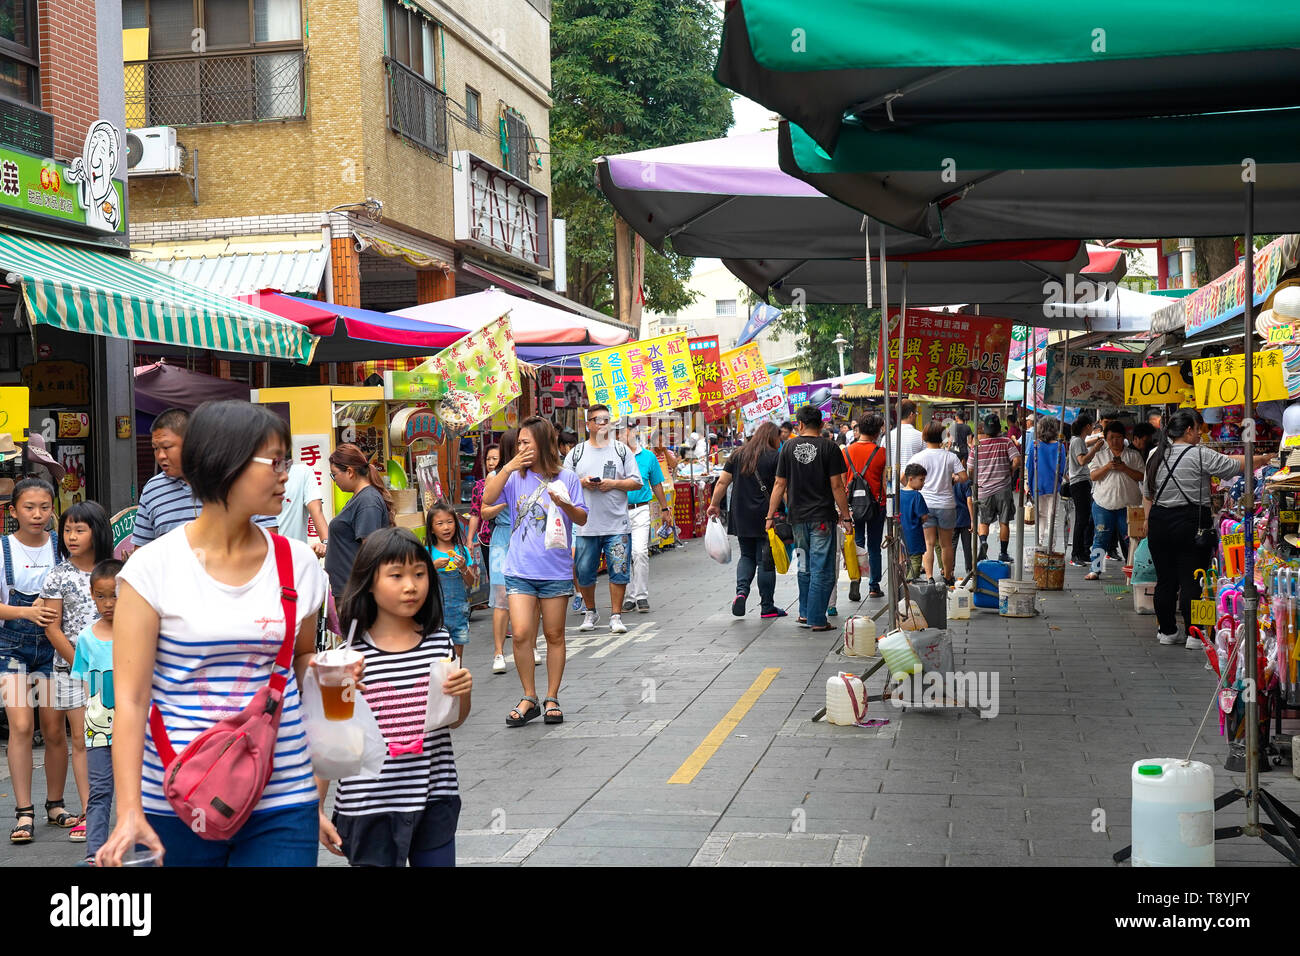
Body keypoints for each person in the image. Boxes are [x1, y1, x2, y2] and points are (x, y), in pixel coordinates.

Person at [98, 400, 337, 866]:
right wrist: (128, 809)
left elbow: (302, 658)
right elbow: (129, 698)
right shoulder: (152, 568)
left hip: (283, 795)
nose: (286, 473)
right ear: (225, 463)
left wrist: (333, 676)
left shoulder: (299, 564)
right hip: (175, 794)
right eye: (276, 461)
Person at [318, 528, 472, 867]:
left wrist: (463, 692)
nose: (411, 585)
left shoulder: (439, 641)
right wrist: (316, 808)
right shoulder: (349, 657)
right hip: (367, 807)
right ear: (369, 582)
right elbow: (332, 738)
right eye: (396, 575)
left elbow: (454, 719)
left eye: (419, 574)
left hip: (435, 796)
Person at [482, 416, 588, 727]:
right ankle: (529, 696)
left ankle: (552, 696)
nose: (521, 448)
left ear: (542, 443)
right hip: (519, 568)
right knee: (523, 633)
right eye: (518, 444)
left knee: (554, 634)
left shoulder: (566, 478)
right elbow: (487, 499)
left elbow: (581, 518)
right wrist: (507, 467)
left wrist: (564, 503)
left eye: (526, 442)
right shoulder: (514, 477)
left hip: (554, 570)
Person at [1144, 409, 1268, 648]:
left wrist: (1148, 521)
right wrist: (1262, 459)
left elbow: (1147, 493)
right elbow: (1234, 466)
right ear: (1189, 429)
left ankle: (1167, 631)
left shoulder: (1153, 455)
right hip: (1190, 522)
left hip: (1159, 521)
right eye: (1198, 429)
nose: (1201, 433)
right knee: (1195, 579)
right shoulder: (1199, 454)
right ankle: (1196, 634)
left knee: (1165, 580)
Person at [41, 500, 115, 846]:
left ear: (97, 531)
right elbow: (52, 628)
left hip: (116, 670)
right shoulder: (58, 575)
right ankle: (89, 812)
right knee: (83, 740)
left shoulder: (117, 570)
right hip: (71, 670)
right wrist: (82, 665)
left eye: (79, 530)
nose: (71, 536)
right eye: (67, 529)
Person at [1, 478, 68, 845]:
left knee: (56, 730)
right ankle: (23, 811)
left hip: (56, 648)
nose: (38, 514)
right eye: (29, 507)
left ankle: (56, 804)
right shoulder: (2, 549)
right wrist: (25, 613)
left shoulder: (63, 547)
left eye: (44, 507)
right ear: (14, 511)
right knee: (22, 725)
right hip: (10, 649)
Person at [132, 407, 278, 549]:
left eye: (167, 447)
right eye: (155, 448)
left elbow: (270, 541)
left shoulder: (236, 480)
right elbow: (140, 555)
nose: (160, 456)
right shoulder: (153, 490)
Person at [766, 404, 851, 632]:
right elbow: (837, 486)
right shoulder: (830, 448)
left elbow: (779, 484)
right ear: (821, 424)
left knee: (804, 566)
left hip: (798, 519)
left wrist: (769, 516)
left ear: (799, 424)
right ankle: (816, 618)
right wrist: (846, 516)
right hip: (822, 518)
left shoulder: (788, 447)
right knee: (822, 567)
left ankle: (804, 614)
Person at [563, 404, 643, 635]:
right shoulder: (576, 453)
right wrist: (582, 482)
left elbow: (636, 481)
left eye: (607, 420)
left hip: (617, 523)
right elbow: (562, 484)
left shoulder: (621, 450)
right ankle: (591, 611)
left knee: (619, 569)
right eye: (598, 420)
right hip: (585, 525)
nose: (603, 424)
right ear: (588, 424)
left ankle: (616, 615)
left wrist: (613, 484)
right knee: (584, 570)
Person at [69, 558, 121, 864]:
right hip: (98, 726)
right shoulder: (87, 638)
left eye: (115, 595)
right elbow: (85, 684)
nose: (109, 603)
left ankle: (148, 851)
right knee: (100, 790)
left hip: (136, 726)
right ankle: (95, 855)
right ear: (91, 594)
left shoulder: (138, 632)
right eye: (101, 596)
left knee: (141, 789)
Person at [708, 421, 785, 619]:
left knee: (747, 555)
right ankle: (767, 607)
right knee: (765, 561)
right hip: (767, 515)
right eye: (779, 437)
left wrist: (714, 504)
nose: (780, 441)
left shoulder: (738, 454)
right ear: (772, 437)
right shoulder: (775, 456)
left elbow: (722, 482)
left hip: (741, 514)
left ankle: (741, 592)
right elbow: (781, 486)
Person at [325, 442, 395, 602]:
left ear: (349, 472)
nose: (334, 480)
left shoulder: (367, 501)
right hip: (350, 591)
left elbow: (370, 550)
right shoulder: (360, 498)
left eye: (334, 474)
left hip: (357, 594)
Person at [908, 422, 969, 585]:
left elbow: (904, 477)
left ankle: (929, 577)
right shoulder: (950, 456)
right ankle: (948, 577)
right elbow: (964, 477)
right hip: (947, 505)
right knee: (946, 545)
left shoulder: (918, 457)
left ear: (924, 437)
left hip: (925, 505)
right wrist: (953, 479)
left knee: (928, 544)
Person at [1084, 421, 1145, 580]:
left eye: (1118, 437)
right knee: (1101, 536)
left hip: (1129, 505)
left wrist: (1125, 468)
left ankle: (1132, 568)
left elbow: (1142, 476)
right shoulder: (1100, 455)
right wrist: (1107, 467)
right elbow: (1093, 476)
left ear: (1124, 438)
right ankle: (1095, 569)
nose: (1115, 441)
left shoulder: (1133, 455)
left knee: (1131, 539)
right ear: (1105, 438)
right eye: (1112, 438)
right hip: (1103, 503)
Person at [619, 425, 670, 613]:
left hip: (640, 509)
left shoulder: (648, 457)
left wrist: (665, 508)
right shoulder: (615, 456)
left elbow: (656, 484)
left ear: (634, 432)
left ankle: (641, 595)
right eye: (618, 432)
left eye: (625, 431)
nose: (622, 435)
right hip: (617, 512)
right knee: (623, 554)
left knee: (639, 552)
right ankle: (629, 595)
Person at [842, 413, 888, 600]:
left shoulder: (845, 452)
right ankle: (874, 586)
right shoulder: (881, 453)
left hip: (853, 505)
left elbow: (843, 482)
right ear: (877, 432)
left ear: (858, 429)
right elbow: (885, 483)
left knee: (857, 543)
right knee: (875, 546)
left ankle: (856, 580)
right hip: (877, 504)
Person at [425, 500, 476, 661]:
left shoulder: (462, 551)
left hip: (458, 611)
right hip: (435, 612)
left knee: (456, 657)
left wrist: (463, 568)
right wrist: (432, 567)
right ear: (432, 529)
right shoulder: (427, 553)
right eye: (440, 523)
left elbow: (471, 582)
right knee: (437, 658)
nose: (446, 527)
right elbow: (419, 582)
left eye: (449, 522)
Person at [970, 414, 1022, 563]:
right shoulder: (1006, 442)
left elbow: (971, 469)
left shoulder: (977, 445)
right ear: (999, 428)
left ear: (985, 429)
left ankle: (983, 542)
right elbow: (1017, 460)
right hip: (1003, 488)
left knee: (984, 521)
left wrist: (975, 479)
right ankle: (1003, 553)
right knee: (1004, 522)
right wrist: (1011, 470)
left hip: (984, 489)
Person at [1025, 416, 1070, 552]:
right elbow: (1061, 469)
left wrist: (1029, 486)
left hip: (1038, 485)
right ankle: (1051, 547)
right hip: (1053, 485)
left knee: (1041, 516)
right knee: (1053, 518)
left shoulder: (1035, 445)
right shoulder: (1060, 446)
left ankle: (1039, 544)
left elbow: (1030, 469)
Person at [1067, 415, 1105, 567]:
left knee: (1085, 518)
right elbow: (1082, 460)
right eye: (1091, 425)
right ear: (1087, 426)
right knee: (1081, 519)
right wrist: (1095, 449)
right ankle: (1076, 554)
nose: (1092, 428)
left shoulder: (1079, 440)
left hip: (1082, 482)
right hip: (1079, 483)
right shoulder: (1077, 441)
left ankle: (1082, 552)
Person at [275, 461, 329, 557]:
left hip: (295, 559)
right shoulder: (252, 477)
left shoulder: (302, 471)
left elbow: (316, 510)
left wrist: (327, 543)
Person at [900, 464, 931, 581]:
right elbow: (924, 516)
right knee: (916, 562)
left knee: (907, 562)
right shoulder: (917, 496)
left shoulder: (898, 494)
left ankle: (906, 584)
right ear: (911, 479)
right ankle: (909, 586)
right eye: (921, 480)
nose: (923, 483)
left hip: (902, 535)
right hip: (915, 535)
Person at [886, 399, 925, 475]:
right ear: (911, 414)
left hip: (891, 484)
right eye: (916, 413)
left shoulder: (887, 437)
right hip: (913, 484)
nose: (916, 416)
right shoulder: (921, 437)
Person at [953, 476, 974, 576]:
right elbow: (969, 501)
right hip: (965, 518)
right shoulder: (965, 482)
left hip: (952, 518)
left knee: (951, 546)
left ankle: (950, 570)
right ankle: (969, 569)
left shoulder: (948, 481)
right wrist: (972, 520)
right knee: (967, 546)